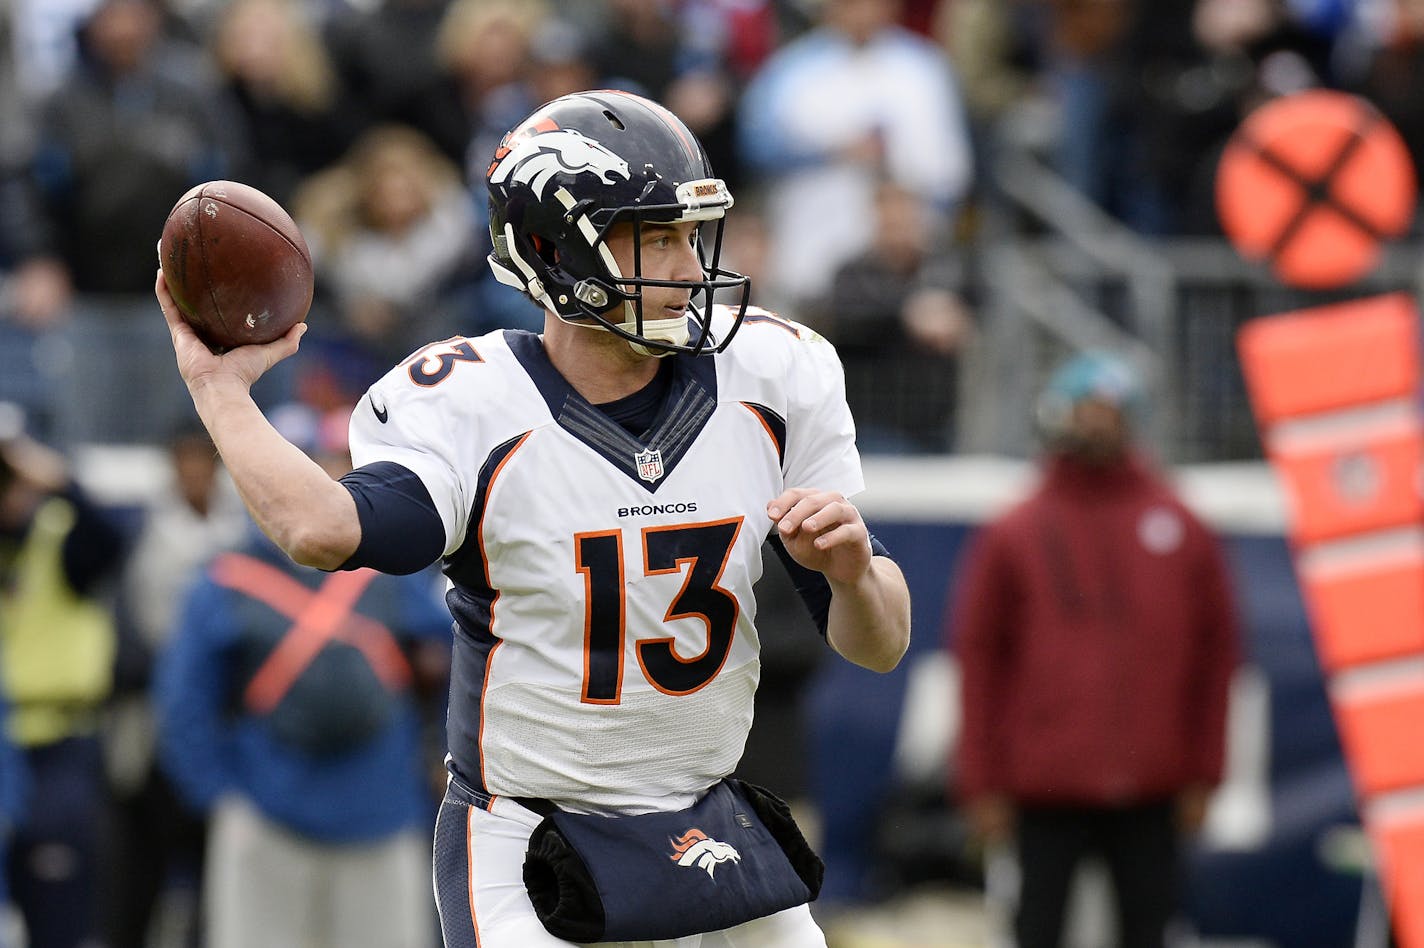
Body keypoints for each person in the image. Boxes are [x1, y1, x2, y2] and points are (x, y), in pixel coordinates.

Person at [154, 89, 911, 948]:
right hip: (537, 839)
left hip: (711, 813)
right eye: (655, 237)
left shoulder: (772, 375)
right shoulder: (475, 403)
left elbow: (879, 644)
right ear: (553, 250)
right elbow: (322, 529)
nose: (690, 266)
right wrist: (219, 390)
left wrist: (854, 573)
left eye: (690, 234)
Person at [948, 351, 1241, 948]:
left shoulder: (1181, 526)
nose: (1098, 424)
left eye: (1110, 411)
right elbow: (979, 663)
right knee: (1037, 928)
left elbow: (1216, 659)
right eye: (1087, 410)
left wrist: (1205, 774)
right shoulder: (1016, 532)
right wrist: (982, 782)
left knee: (1148, 928)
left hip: (1154, 784)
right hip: (1042, 785)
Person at [153, 402, 452, 948]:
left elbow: (182, 704)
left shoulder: (225, 577)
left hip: (346, 808)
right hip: (290, 812)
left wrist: (222, 797)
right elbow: (183, 706)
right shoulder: (390, 566)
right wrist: (224, 798)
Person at [0, 402, 126, 948]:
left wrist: (52, 478)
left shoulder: (62, 538)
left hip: (58, 746)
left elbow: (111, 540)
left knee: (59, 913)